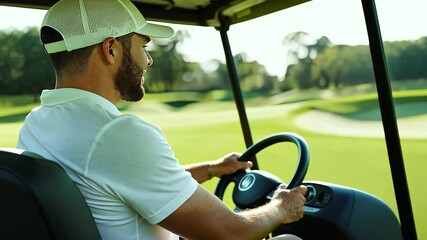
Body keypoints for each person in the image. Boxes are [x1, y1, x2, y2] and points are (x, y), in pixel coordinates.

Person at [17, 0, 307, 239]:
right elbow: (229, 233)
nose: (148, 60)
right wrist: (281, 207)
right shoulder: (117, 133)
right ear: (111, 49)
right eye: (143, 46)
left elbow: (120, 181)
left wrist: (211, 169)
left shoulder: (38, 123)